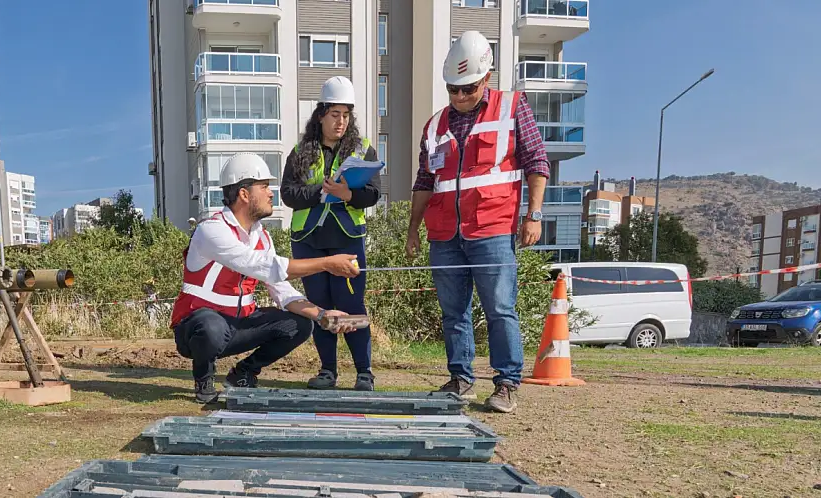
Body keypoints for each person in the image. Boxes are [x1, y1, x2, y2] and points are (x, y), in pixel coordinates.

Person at [405, 31, 550, 414]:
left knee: (500, 308)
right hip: (444, 233)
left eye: (467, 89)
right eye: (453, 89)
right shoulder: (435, 125)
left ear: (486, 78)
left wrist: (534, 214)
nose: (459, 97)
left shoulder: (512, 108)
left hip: (493, 229)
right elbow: (425, 180)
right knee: (453, 312)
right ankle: (461, 378)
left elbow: (537, 161)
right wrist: (412, 229)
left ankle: (506, 383)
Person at [170, 152, 361, 403]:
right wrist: (326, 264)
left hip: (237, 327)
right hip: (196, 329)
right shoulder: (211, 230)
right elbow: (260, 266)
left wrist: (323, 315)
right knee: (211, 326)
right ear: (244, 194)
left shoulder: (263, 238)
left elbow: (281, 289)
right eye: (264, 187)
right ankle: (204, 379)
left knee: (300, 324)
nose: (272, 193)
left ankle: (243, 373)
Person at [280, 76, 381, 392]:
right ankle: (328, 372)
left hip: (347, 240)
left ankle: (364, 373)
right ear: (321, 114)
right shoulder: (299, 152)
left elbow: (374, 193)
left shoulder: (363, 149)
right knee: (320, 307)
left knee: (351, 305)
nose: (341, 121)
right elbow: (288, 194)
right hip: (308, 242)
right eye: (335, 114)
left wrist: (348, 194)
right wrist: (321, 193)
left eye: (346, 115)